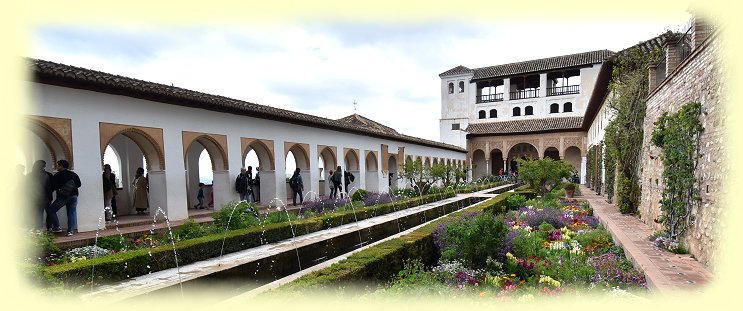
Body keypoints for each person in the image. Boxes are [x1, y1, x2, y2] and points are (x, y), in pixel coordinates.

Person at [47, 160, 81, 236]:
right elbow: (79, 184)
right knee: (71, 213)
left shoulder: (57, 175)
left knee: (51, 210)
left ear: (61, 166)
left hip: (63, 196)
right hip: (74, 196)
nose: (57, 167)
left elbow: (54, 186)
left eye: (58, 165)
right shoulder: (74, 174)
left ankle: (57, 227)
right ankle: (70, 231)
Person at [29, 160, 53, 231]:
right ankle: (49, 227)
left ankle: (38, 228)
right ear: (44, 166)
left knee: (38, 213)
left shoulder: (31, 175)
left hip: (35, 197)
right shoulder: (48, 175)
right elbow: (52, 186)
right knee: (49, 212)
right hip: (47, 197)